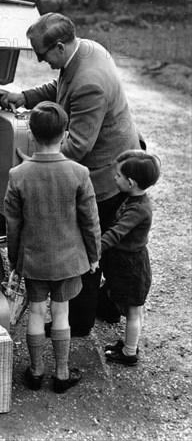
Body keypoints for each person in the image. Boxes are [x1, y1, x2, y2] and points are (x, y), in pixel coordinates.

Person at [0, 12, 142, 336]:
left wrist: (36, 162)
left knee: (88, 245)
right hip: (111, 159)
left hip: (106, 173)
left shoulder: (90, 81)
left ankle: (78, 322)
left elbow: (77, 145)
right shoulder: (84, 51)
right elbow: (61, 87)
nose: (40, 61)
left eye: (42, 54)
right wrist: (26, 97)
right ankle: (109, 306)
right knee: (106, 244)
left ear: (60, 46)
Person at [4, 101, 101, 393]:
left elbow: (13, 224)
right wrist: (94, 256)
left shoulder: (18, 175)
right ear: (66, 134)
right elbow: (90, 221)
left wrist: (14, 259)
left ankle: (35, 372)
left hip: (33, 260)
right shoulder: (79, 173)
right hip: (67, 260)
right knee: (61, 313)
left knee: (35, 312)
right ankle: (61, 373)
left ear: (31, 134)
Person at [102, 151, 161, 366]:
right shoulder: (134, 198)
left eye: (117, 175)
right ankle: (130, 344)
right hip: (129, 262)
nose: (114, 178)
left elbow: (116, 233)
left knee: (133, 311)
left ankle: (129, 353)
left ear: (130, 182)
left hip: (131, 266)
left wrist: (93, 249)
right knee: (133, 308)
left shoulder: (138, 209)